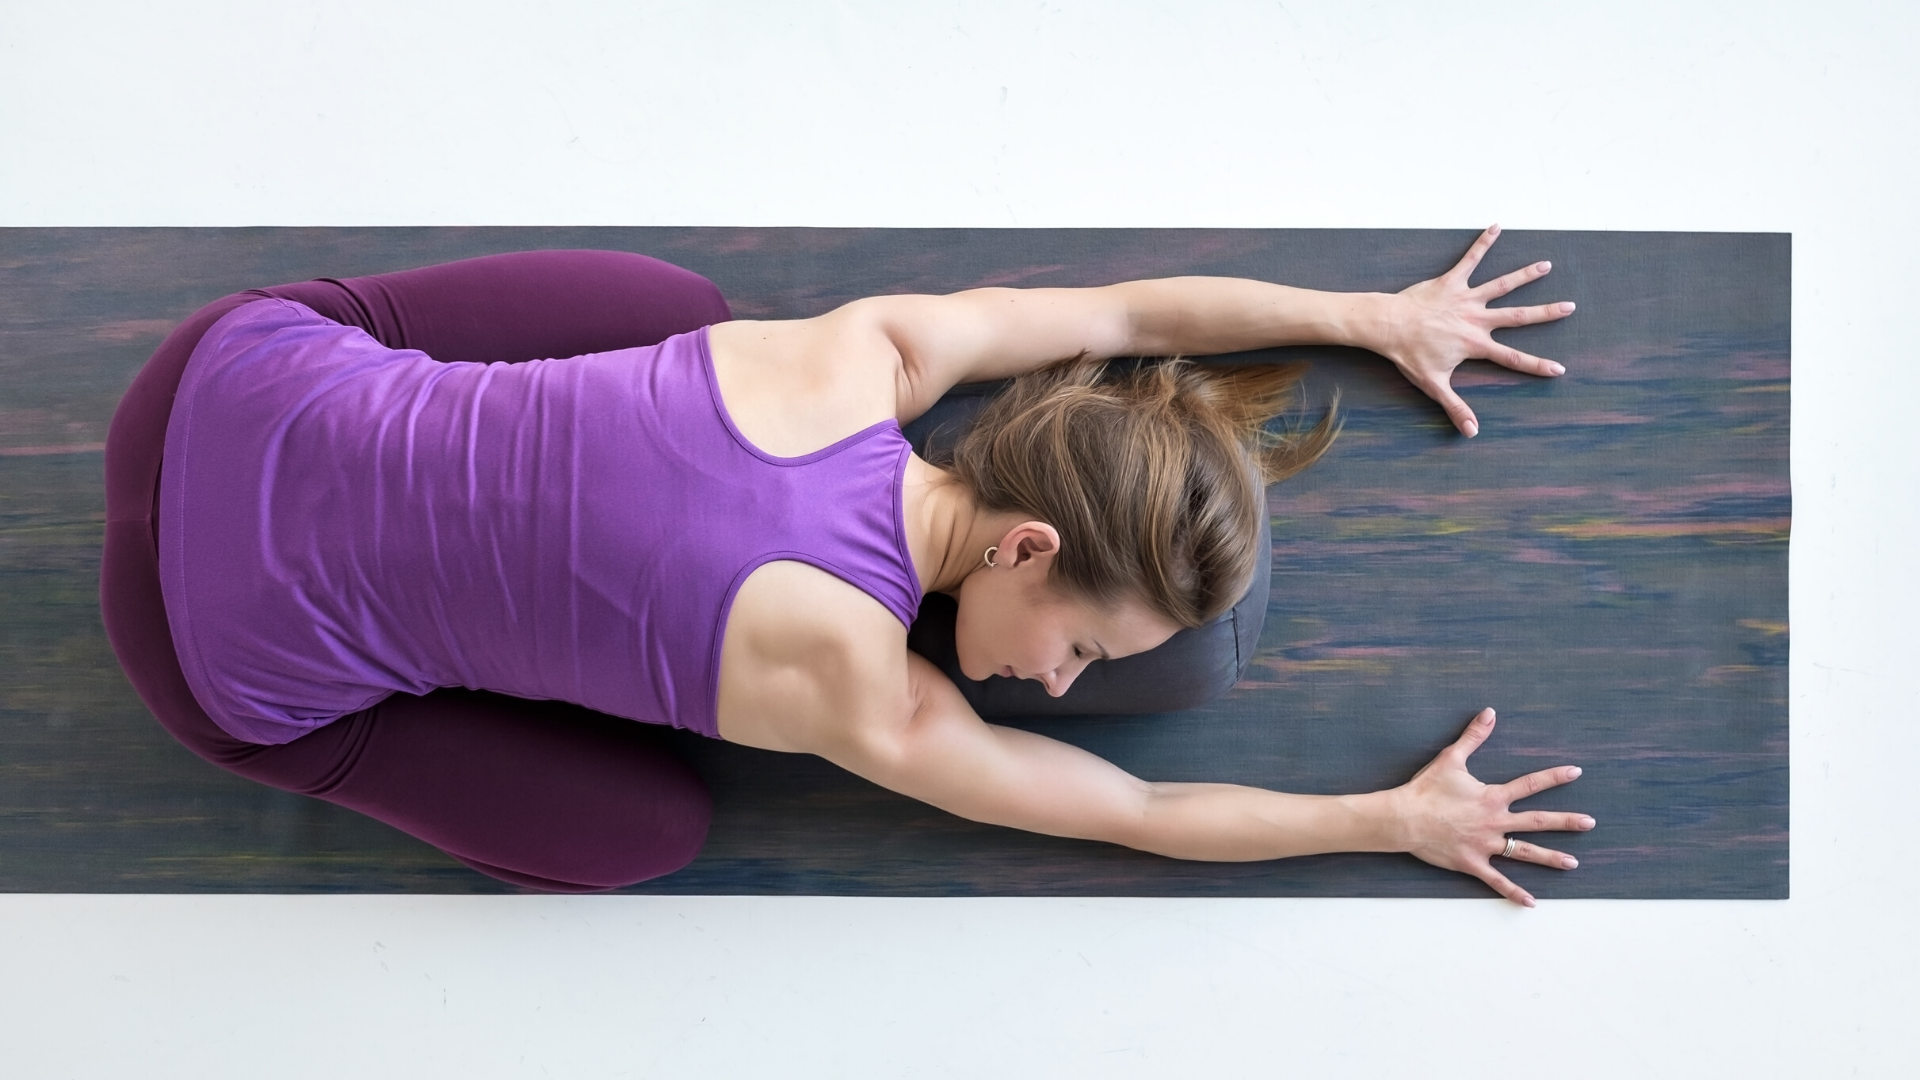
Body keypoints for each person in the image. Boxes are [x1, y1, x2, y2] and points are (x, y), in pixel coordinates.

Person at [103, 225, 1592, 906]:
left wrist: (1366, 317)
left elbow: (1131, 312)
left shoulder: (877, 349)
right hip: (206, 664)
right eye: (1082, 646)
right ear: (1030, 544)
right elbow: (1135, 811)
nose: (1057, 684)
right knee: (647, 839)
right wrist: (1387, 818)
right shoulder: (860, 694)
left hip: (217, 370)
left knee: (676, 306)